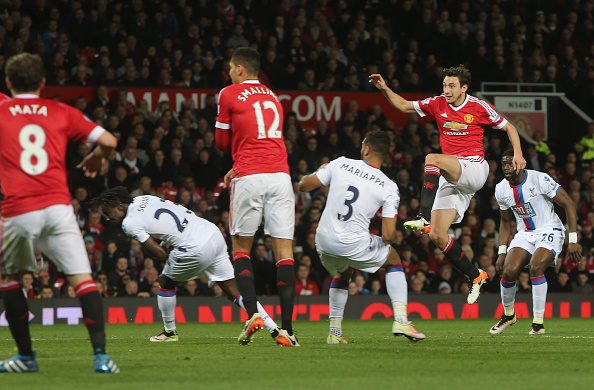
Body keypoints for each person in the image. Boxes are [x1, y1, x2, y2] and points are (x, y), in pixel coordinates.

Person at [0, 53, 119, 373]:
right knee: (84, 281)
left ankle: (25, 358)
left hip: (18, 211)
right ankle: (101, 358)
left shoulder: (1, 111)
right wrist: (98, 156)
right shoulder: (61, 111)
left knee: (10, 282)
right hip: (58, 208)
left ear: (9, 83)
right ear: (42, 83)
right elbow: (109, 139)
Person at [370, 65, 526, 305]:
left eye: (452, 85)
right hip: (452, 176)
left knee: (431, 158)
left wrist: (517, 153)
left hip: (474, 168)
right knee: (437, 235)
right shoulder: (437, 103)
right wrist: (384, 88)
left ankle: (422, 215)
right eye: (444, 85)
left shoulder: (478, 106)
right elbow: (403, 106)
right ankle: (476, 276)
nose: (447, 90)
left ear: (464, 87)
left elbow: (509, 127)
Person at [92, 187, 281, 345]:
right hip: (212, 233)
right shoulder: (144, 198)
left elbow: (158, 252)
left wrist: (168, 255)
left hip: (194, 247)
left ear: (119, 206)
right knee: (232, 290)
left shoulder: (129, 223)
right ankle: (275, 330)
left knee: (165, 282)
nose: (108, 219)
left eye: (108, 213)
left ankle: (169, 332)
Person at [299, 130, 425, 344]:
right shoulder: (389, 186)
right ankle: (401, 320)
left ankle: (335, 333)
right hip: (352, 243)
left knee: (343, 271)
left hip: (323, 239)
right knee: (393, 258)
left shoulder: (340, 163)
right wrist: (396, 234)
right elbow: (387, 235)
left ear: (366, 148)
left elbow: (303, 186)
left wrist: (319, 170)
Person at [215, 47, 297, 346]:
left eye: (229, 68)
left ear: (238, 69)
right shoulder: (274, 97)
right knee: (284, 252)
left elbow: (222, 143)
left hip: (250, 176)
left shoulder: (228, 93)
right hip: (281, 176)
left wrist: (237, 163)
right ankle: (288, 329)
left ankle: (253, 314)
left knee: (240, 247)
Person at [490, 150, 581, 335]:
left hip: (549, 229)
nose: (506, 167)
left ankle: (537, 324)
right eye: (503, 163)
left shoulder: (540, 179)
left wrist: (573, 239)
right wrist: (501, 251)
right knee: (507, 271)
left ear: (520, 164)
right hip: (525, 234)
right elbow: (506, 222)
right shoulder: (501, 189)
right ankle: (508, 315)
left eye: (510, 163)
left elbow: (569, 204)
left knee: (536, 266)